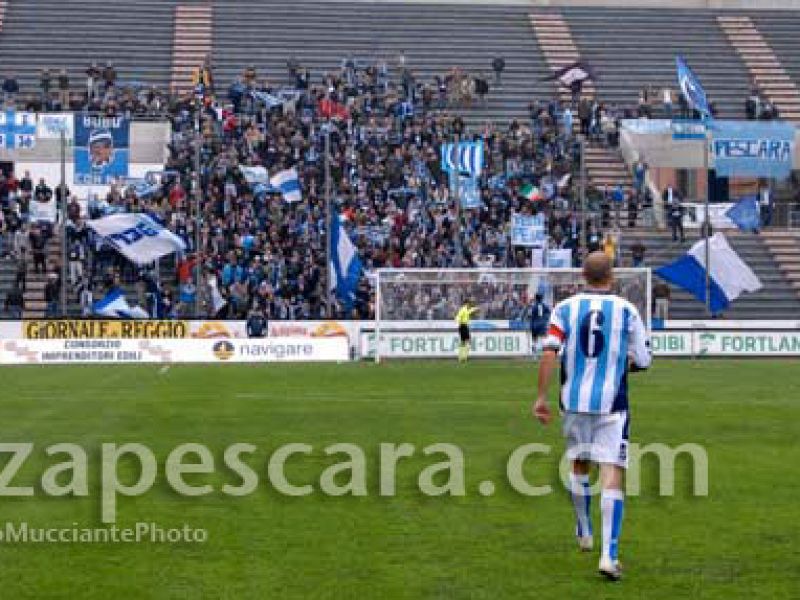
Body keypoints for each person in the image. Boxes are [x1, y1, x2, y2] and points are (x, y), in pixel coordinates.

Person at [533, 251, 652, 581]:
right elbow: (642, 360)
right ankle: (608, 556)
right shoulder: (627, 310)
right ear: (611, 276)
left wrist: (541, 397)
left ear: (582, 276)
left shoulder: (565, 308)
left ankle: (584, 528)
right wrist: (616, 366)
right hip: (612, 404)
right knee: (613, 471)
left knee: (579, 463)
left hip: (571, 401)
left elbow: (549, 351)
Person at [529, 293, 550, 359]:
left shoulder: (534, 306)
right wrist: (545, 319)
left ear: (536, 298)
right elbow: (549, 313)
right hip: (542, 325)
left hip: (535, 325)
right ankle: (543, 354)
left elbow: (531, 316)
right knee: (543, 339)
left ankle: (534, 355)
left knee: (534, 340)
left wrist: (531, 325)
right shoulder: (544, 306)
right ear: (542, 298)